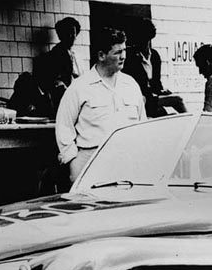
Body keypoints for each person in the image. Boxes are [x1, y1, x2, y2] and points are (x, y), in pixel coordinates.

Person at [55, 26, 145, 186]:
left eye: (124, 50)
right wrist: (73, 162)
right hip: (91, 163)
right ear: (101, 55)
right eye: (117, 52)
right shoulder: (79, 87)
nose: (123, 56)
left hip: (128, 163)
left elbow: (142, 125)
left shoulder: (131, 85)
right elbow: (64, 126)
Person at [123, 17, 186, 117]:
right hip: (140, 100)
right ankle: (194, 123)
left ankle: (189, 121)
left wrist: (162, 91)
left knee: (172, 116)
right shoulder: (130, 57)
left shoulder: (155, 56)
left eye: (146, 39)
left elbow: (156, 84)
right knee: (178, 100)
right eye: (140, 39)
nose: (143, 43)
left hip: (152, 99)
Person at [33, 17, 81, 89]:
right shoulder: (54, 56)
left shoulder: (76, 56)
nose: (71, 36)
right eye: (68, 33)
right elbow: (54, 81)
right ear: (60, 35)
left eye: (73, 33)